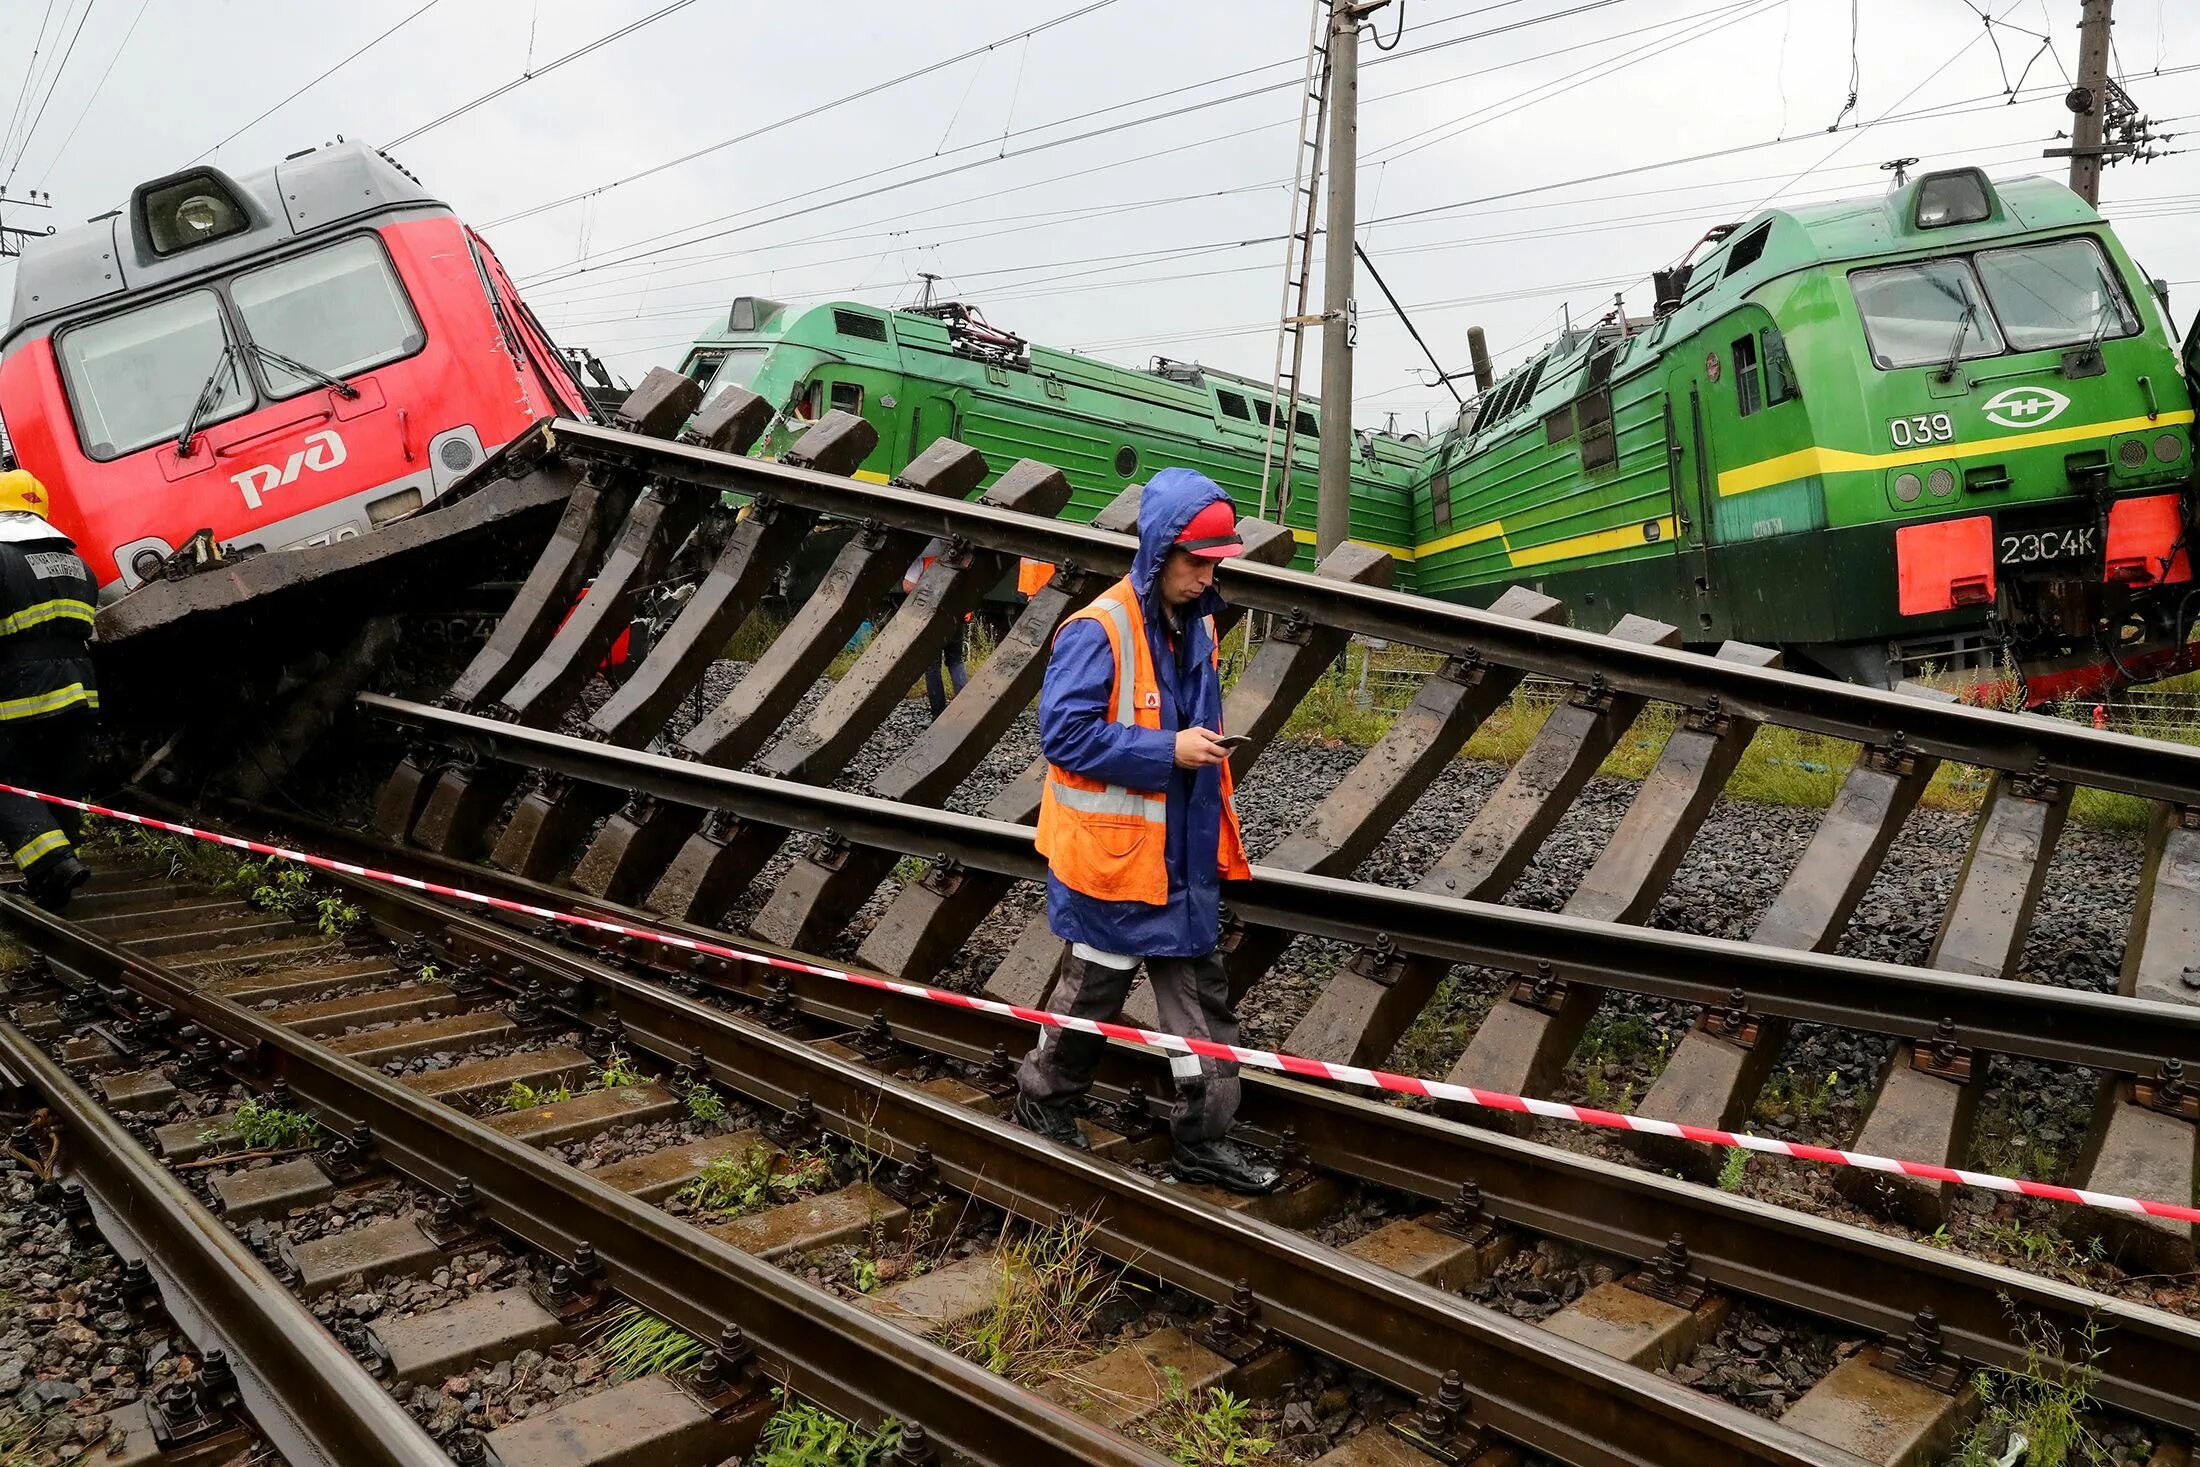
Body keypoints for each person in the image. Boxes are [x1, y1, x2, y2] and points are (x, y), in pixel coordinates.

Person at [1013, 467, 1280, 1195]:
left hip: (1181, 860)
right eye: (1196, 561)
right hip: (1114, 863)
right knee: (1092, 993)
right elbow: (1063, 736)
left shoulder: (1195, 626)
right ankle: (1043, 1104)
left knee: (1203, 1007)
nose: (1205, 575)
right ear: (1160, 550)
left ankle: (1202, 1140)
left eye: (1214, 562)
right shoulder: (1099, 628)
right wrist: (1171, 751)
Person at [0, 469, 98, 910]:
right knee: (59, 782)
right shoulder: (77, 561)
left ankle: (53, 863)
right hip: (80, 689)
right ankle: (59, 876)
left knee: (7, 784)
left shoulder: (1, 558)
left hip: (19, 690)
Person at [904, 537, 968, 715]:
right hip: (955, 616)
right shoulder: (963, 560)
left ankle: (938, 712)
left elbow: (908, 586)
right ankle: (963, 710)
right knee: (955, 661)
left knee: (932, 667)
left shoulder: (924, 559)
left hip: (930, 618)